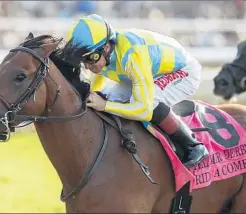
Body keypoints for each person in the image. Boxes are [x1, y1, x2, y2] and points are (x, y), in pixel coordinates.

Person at [66, 14, 209, 167]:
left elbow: (144, 109)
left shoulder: (131, 55)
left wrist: (105, 105)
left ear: (107, 47)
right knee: (107, 94)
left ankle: (193, 145)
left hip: (182, 71)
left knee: (145, 101)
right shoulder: (101, 54)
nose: (87, 66)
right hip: (147, 71)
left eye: (90, 58)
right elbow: (98, 88)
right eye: (83, 60)